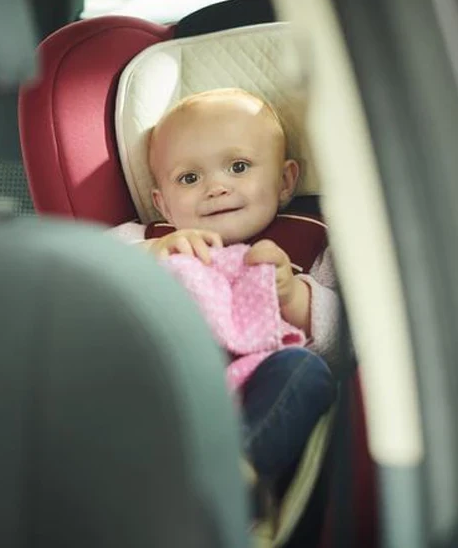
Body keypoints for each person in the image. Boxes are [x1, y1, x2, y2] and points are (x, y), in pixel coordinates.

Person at [111, 88, 338, 519]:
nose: (216, 188)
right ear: (162, 202)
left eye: (238, 167)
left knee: (308, 372)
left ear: (286, 180)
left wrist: (294, 298)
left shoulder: (307, 245)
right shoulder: (145, 238)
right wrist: (151, 258)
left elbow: (347, 338)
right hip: (167, 390)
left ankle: (235, 474)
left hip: (256, 395)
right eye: (189, 178)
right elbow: (87, 280)